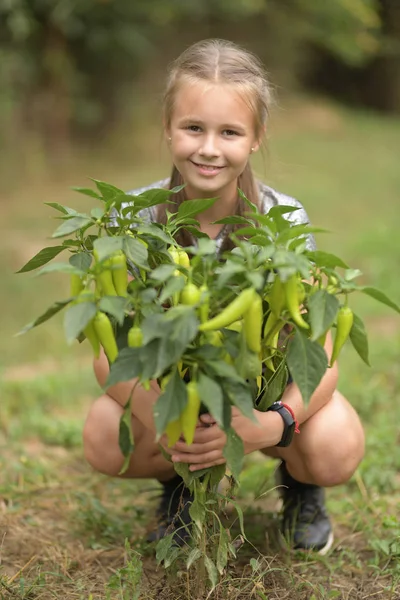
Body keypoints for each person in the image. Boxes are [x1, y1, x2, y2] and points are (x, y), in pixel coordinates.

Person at [82, 39, 365, 555]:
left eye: (229, 132)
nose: (209, 148)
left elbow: (318, 353)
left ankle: (301, 486)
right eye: (193, 127)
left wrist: (272, 422)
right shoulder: (136, 223)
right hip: (180, 398)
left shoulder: (284, 221)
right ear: (168, 129)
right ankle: (181, 487)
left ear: (255, 139)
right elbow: (109, 354)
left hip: (264, 394)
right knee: (105, 433)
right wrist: (161, 419)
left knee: (335, 445)